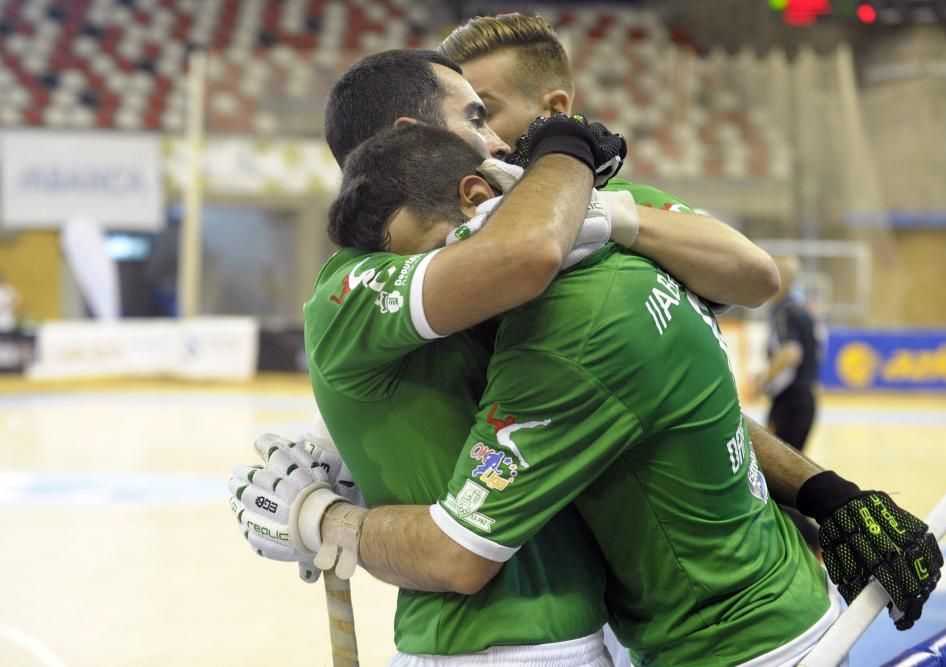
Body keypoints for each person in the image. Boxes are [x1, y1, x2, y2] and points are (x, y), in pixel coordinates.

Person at [238, 124, 943, 666]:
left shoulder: (567, 316)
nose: (493, 141)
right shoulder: (611, 245)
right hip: (727, 618)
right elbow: (654, 387)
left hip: (717, 640)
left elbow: (459, 551)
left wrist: (320, 520)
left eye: (490, 117)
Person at [230, 48, 782, 665]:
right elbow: (526, 254)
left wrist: (611, 211)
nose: (497, 140)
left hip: (611, 631)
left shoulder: (573, 206)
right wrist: (325, 503)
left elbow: (752, 283)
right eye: (476, 116)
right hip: (491, 642)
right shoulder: (362, 279)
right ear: (415, 137)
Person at [754, 256, 825, 553]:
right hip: (805, 399)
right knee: (786, 477)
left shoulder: (783, 312)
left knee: (776, 479)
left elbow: (791, 353)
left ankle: (815, 543)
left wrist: (763, 379)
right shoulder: (805, 312)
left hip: (790, 402)